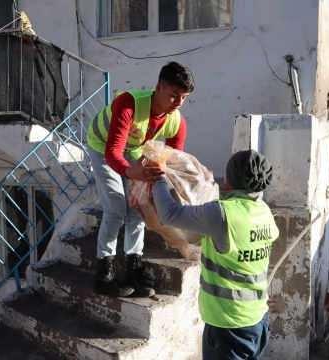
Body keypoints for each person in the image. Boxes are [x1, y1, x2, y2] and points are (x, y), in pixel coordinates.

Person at [152, 149, 278, 360]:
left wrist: (159, 177)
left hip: (229, 326)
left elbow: (169, 213)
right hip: (258, 320)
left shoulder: (222, 214)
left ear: (230, 178)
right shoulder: (263, 211)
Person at [87, 61, 195, 298]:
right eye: (174, 95)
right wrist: (129, 173)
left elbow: (174, 161)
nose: (178, 103)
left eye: (184, 98)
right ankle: (104, 272)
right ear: (159, 87)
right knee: (116, 207)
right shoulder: (129, 103)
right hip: (102, 146)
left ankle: (133, 268)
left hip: (134, 150)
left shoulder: (177, 122)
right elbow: (113, 151)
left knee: (138, 207)